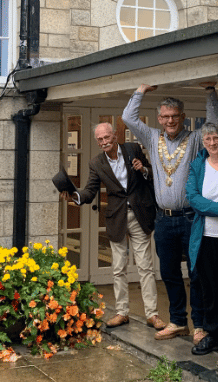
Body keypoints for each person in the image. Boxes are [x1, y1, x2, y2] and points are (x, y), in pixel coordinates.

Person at [122, 82, 218, 343]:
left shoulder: (195, 139)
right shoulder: (152, 137)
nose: (169, 121)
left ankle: (199, 325)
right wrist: (140, 90)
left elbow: (213, 120)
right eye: (165, 117)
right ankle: (178, 321)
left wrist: (210, 91)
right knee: (168, 273)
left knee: (196, 272)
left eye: (174, 116)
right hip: (163, 219)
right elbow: (127, 118)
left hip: (191, 217)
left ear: (183, 117)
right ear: (159, 119)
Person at [61, 123, 166, 331]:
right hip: (116, 217)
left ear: (115, 136)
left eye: (107, 137)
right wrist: (74, 196)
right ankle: (122, 312)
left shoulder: (133, 149)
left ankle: (152, 315)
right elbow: (90, 191)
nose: (104, 142)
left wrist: (143, 169)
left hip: (140, 214)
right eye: (100, 139)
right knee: (118, 269)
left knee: (145, 266)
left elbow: (154, 174)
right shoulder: (96, 163)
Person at [185, 122, 218, 355]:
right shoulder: (198, 165)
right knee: (210, 290)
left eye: (215, 138)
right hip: (207, 237)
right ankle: (213, 335)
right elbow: (193, 198)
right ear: (203, 143)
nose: (212, 143)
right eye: (207, 140)